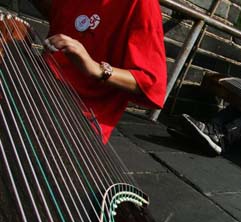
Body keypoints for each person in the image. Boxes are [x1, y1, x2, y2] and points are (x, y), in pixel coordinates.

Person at [34, 0, 167, 144]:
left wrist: (95, 68)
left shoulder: (142, 4)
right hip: (40, 92)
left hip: (78, 121)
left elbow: (151, 82)